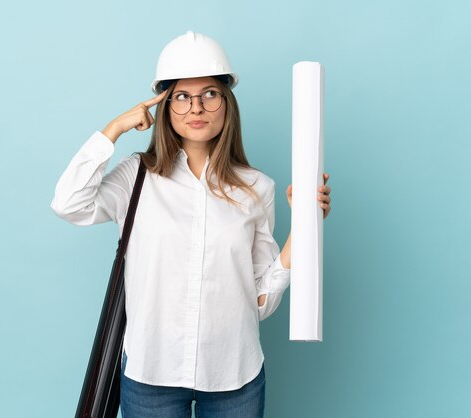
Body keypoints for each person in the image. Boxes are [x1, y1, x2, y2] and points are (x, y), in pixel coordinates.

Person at [51, 31, 331, 418]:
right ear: (164, 106)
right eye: (182, 96)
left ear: (226, 104)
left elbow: (258, 302)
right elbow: (68, 204)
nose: (196, 107)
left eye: (209, 94)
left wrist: (305, 225)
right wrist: (112, 129)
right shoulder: (137, 177)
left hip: (235, 377)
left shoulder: (256, 187)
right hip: (152, 374)